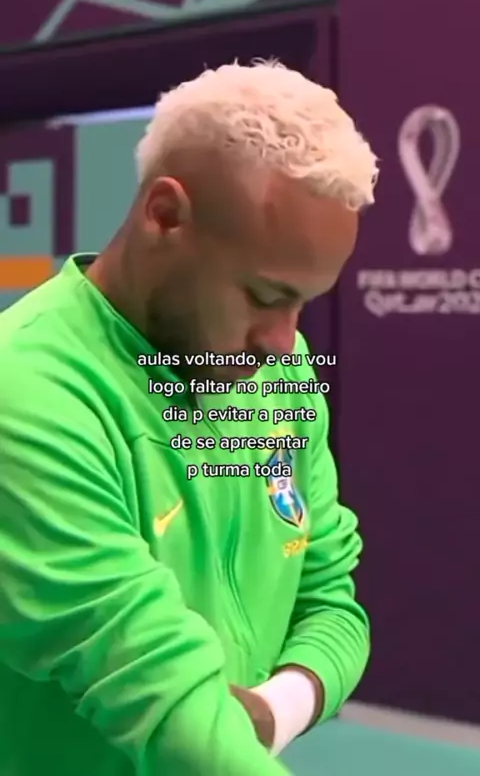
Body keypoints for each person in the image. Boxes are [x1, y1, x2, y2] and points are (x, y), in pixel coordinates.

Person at [0, 60, 379, 776]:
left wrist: (270, 711)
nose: (283, 342)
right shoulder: (24, 391)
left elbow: (333, 604)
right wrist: (219, 730)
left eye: (303, 303)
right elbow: (164, 703)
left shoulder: (279, 373)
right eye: (263, 295)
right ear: (165, 215)